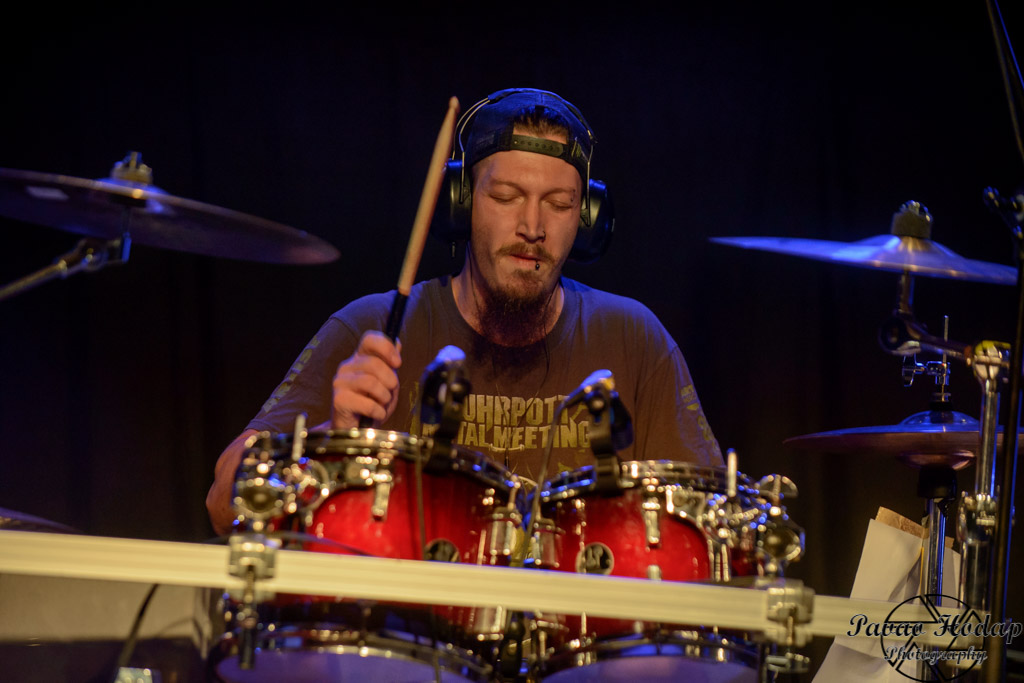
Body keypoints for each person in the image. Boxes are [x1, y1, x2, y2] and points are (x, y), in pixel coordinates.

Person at [206, 88, 722, 535]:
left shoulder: (634, 339)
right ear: (462, 202)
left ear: (587, 220)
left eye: (559, 204)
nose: (532, 226)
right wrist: (331, 441)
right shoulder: (373, 329)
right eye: (506, 196)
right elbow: (223, 505)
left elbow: (712, 523)